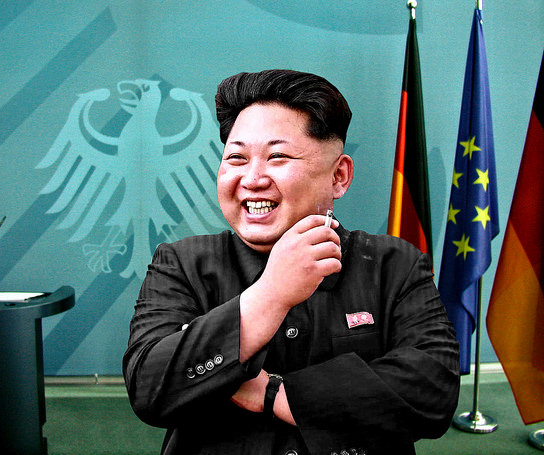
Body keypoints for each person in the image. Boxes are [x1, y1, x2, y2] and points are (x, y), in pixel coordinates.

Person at [123, 69, 460, 455]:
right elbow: (149, 388)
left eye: (277, 156)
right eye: (236, 158)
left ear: (339, 176)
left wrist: (275, 396)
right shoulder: (181, 264)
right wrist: (271, 294)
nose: (252, 179)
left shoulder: (394, 264)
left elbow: (434, 391)